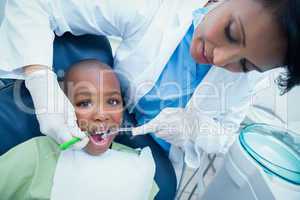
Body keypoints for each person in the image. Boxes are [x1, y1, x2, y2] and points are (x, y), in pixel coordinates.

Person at [0, 0, 299, 198]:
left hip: (156, 161)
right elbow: (34, 4)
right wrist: (41, 84)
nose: (219, 58)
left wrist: (196, 129)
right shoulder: (152, 7)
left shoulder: (251, 78)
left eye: (245, 65)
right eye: (232, 33)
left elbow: (226, 137)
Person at [0, 59, 159, 200]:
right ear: (63, 108)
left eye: (112, 101)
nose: (102, 115)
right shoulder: (35, 155)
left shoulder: (137, 165)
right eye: (84, 103)